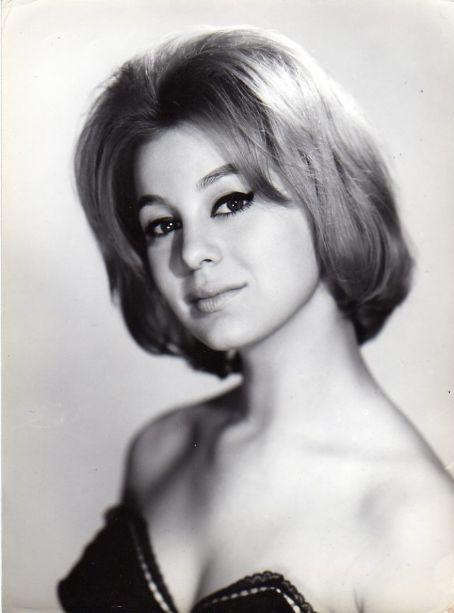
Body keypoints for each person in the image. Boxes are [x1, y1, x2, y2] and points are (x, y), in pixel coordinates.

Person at [58, 26, 454, 613]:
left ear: (326, 196)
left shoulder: (416, 529)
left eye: (230, 202)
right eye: (163, 224)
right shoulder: (161, 451)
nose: (193, 252)